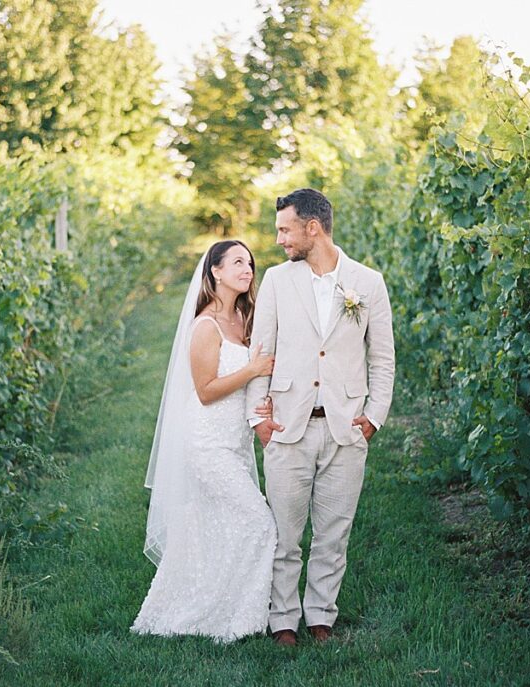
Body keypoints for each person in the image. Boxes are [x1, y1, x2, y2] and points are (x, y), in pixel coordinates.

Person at [246, 188, 395, 647]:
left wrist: (373, 417)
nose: (279, 239)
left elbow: (383, 358)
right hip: (288, 426)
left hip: (345, 428)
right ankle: (283, 620)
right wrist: (260, 422)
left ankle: (321, 615)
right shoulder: (275, 280)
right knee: (285, 534)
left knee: (334, 532)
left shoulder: (367, 283)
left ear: (313, 228)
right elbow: (262, 351)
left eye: (285, 229)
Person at [132, 240, 278, 643]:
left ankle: (207, 604)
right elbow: (206, 390)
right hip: (207, 442)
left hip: (235, 441)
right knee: (258, 522)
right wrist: (252, 371)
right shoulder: (205, 325)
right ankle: (241, 619)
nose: (247, 269)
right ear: (214, 271)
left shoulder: (244, 318)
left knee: (211, 526)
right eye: (236, 262)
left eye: (249, 262)